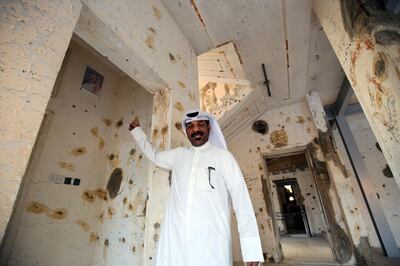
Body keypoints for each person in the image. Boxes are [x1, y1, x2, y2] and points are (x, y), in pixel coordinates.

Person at [129, 110, 263, 266]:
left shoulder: (224, 158)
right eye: (190, 126)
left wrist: (251, 251)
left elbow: (242, 203)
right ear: (186, 131)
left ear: (209, 128)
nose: (196, 129)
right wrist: (137, 131)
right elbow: (155, 155)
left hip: (212, 246)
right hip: (176, 243)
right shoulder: (178, 155)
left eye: (200, 124)